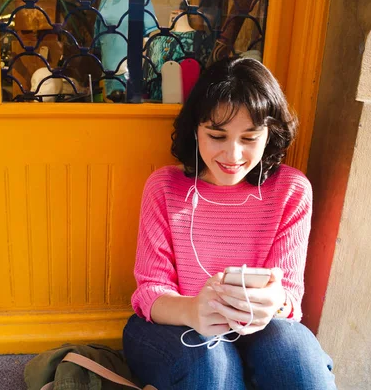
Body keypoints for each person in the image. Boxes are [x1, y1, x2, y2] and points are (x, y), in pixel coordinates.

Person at [122, 57, 336, 389]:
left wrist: (275, 302)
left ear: (270, 134)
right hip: (172, 325)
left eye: (249, 138)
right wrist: (194, 310)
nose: (233, 155)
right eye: (217, 136)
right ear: (196, 130)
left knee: (300, 362)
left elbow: (291, 298)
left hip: (260, 330)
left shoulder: (291, 191)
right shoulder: (164, 187)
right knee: (210, 363)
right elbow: (150, 292)